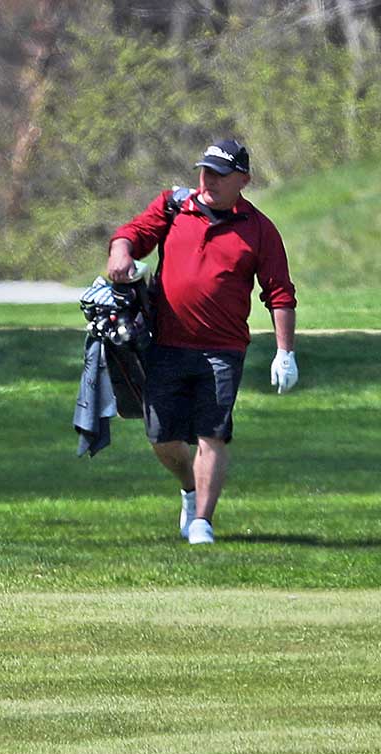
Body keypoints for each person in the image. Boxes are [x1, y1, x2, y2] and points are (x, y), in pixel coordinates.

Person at [106, 138, 298, 545]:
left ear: (242, 180)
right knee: (162, 438)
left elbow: (279, 292)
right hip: (168, 344)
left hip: (223, 351)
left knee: (212, 432)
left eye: (219, 174)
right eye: (204, 171)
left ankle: (202, 523)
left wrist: (285, 352)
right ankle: (190, 489)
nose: (207, 180)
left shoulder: (259, 229)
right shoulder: (174, 207)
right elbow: (132, 234)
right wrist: (120, 252)